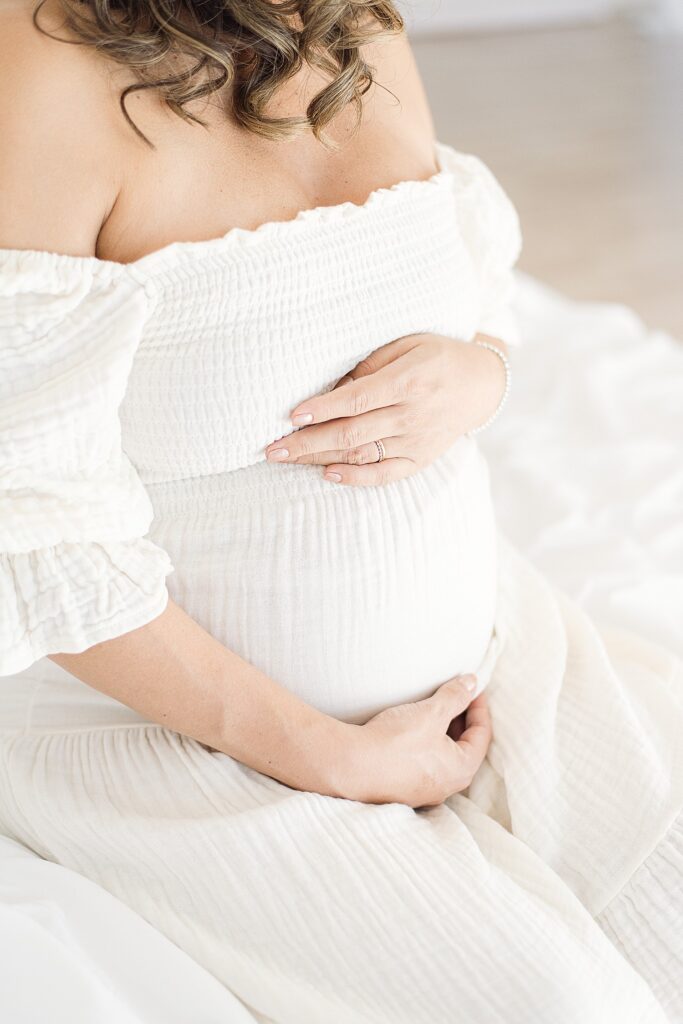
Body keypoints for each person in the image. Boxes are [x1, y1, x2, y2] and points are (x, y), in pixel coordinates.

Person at [1, 2, 681, 1021]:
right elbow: (31, 525)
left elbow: (469, 285)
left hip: (494, 654)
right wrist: (330, 755)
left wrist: (479, 373)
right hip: (179, 737)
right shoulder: (39, 61)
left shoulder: (352, 19)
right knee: (558, 1005)